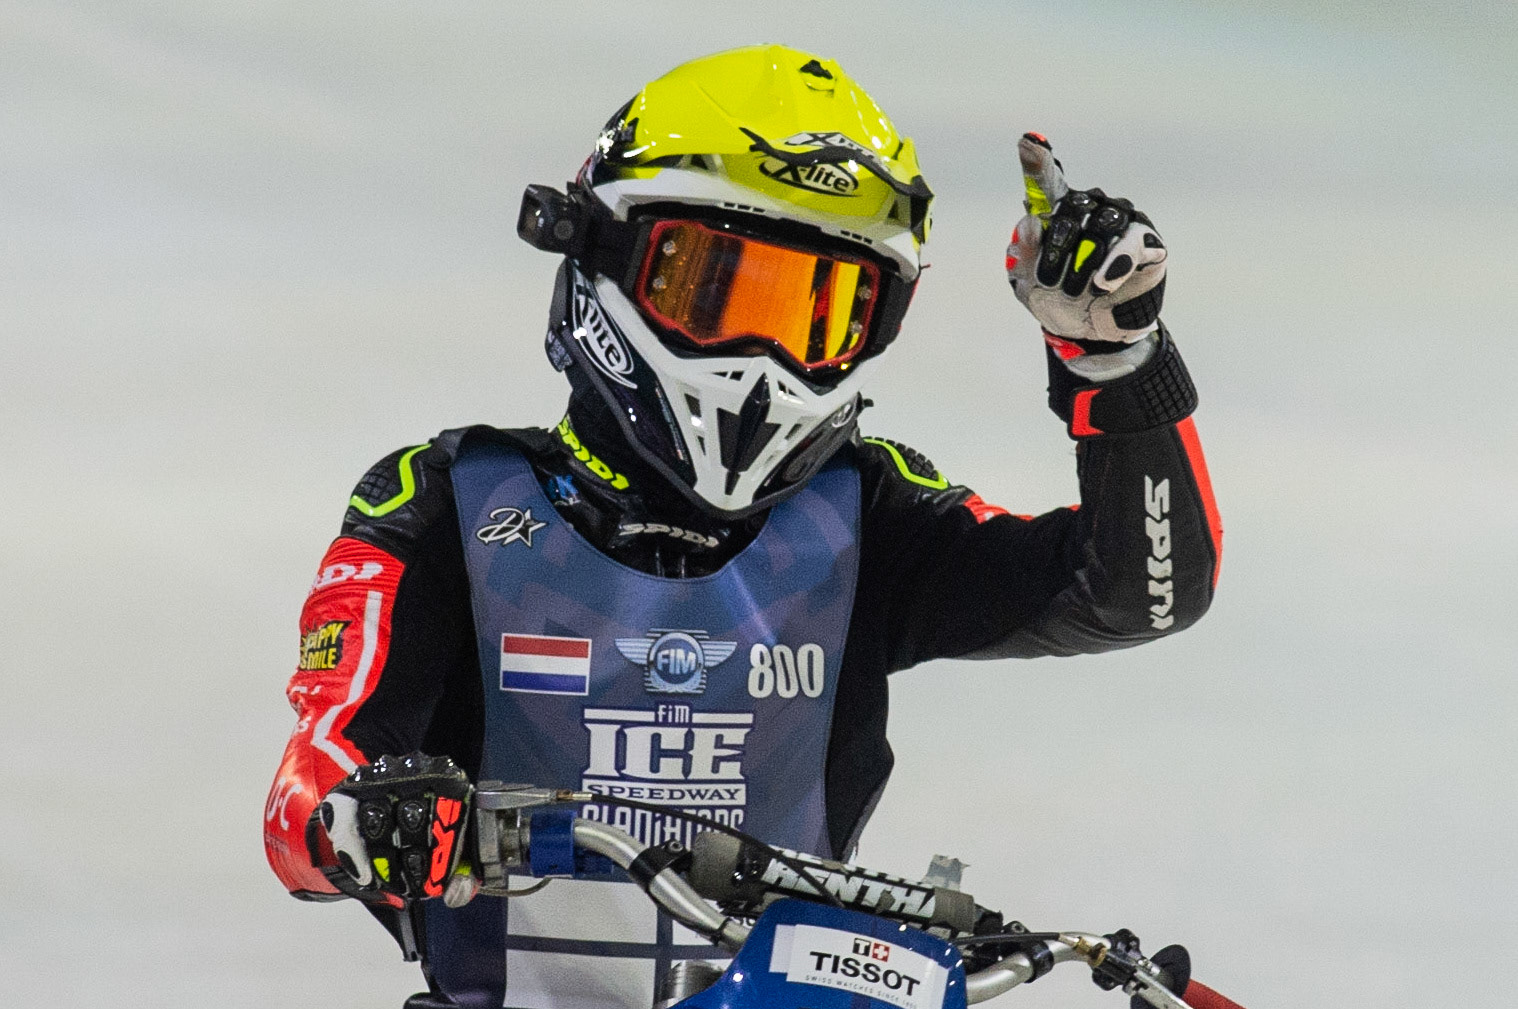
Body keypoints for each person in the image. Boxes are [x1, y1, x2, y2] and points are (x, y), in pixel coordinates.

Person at [263, 44, 1222, 1009]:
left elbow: (1137, 592)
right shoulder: (447, 502)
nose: (763, 361)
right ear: (605, 253)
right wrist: (364, 816)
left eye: (818, 312)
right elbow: (308, 786)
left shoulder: (863, 512)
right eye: (714, 288)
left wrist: (1115, 360)